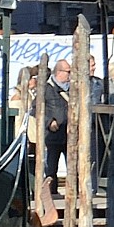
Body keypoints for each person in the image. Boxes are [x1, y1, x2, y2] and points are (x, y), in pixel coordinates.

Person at [42, 60, 71, 194]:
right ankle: (51, 194)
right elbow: (36, 109)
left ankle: (73, 193)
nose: (70, 75)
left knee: (73, 167)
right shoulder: (47, 89)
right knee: (51, 168)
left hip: (70, 134)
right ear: (59, 72)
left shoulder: (72, 88)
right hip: (53, 134)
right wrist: (49, 122)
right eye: (68, 72)